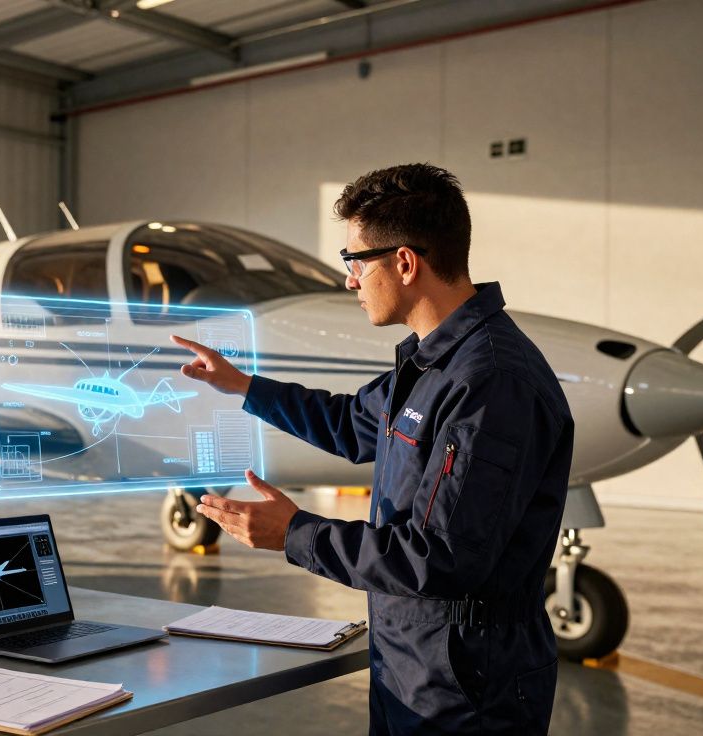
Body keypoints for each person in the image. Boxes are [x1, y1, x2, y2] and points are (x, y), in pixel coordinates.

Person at [171, 163, 573, 735]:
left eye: (354, 261)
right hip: (412, 665)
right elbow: (353, 423)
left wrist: (294, 534)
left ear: (404, 263)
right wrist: (245, 386)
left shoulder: (489, 383)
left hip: (467, 687)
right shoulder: (431, 362)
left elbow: (438, 558)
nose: (349, 280)